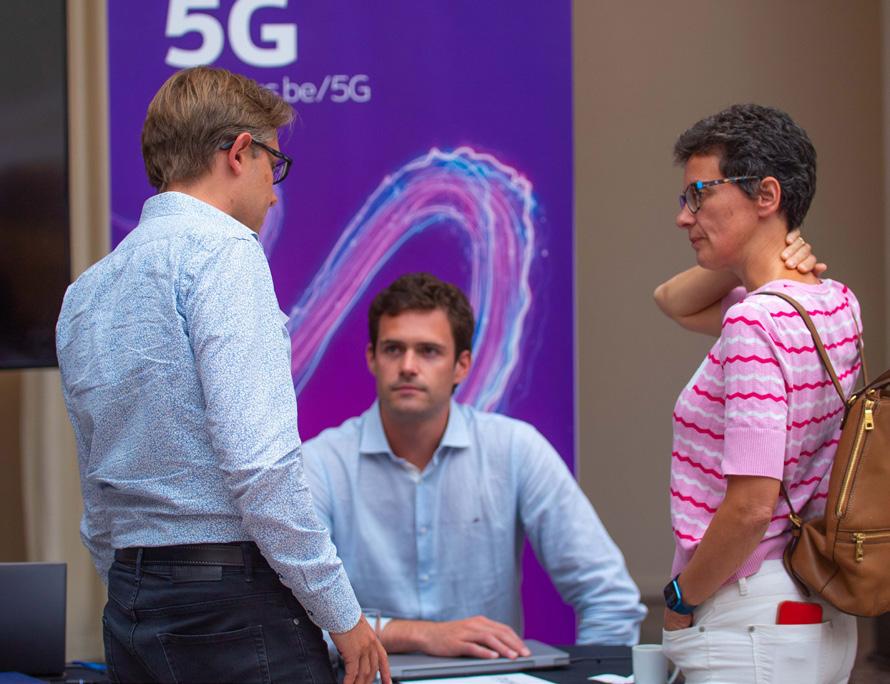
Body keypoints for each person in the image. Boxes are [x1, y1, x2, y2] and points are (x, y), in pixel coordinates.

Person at [56, 67, 388, 684]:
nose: (274, 193)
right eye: (273, 166)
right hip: (232, 606)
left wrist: (136, 588)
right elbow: (261, 468)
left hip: (130, 604)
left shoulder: (85, 293)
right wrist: (342, 615)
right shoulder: (225, 252)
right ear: (239, 153)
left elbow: (96, 493)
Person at [302, 272, 646, 658]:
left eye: (429, 351)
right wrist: (420, 635)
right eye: (393, 349)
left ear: (462, 365)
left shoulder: (514, 449)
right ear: (372, 358)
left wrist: (596, 678)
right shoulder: (322, 463)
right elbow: (296, 621)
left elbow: (609, 597)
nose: (408, 366)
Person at [654, 104, 860, 683]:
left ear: (766, 194)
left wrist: (679, 598)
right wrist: (757, 252)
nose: (684, 217)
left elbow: (750, 508)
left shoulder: (754, 322)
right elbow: (672, 300)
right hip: (817, 603)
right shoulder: (838, 304)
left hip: (749, 611)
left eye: (699, 195)